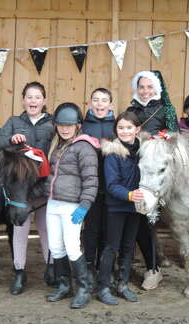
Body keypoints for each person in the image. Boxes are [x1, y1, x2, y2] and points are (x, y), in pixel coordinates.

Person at [0, 81, 54, 295]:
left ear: (44, 101)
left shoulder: (52, 123)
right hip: (21, 186)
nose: (33, 101)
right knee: (20, 228)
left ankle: (51, 267)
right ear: (23, 100)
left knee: (46, 227)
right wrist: (11, 138)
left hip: (43, 183)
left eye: (37, 97)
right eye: (29, 97)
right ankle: (19, 271)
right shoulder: (14, 121)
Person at [126, 70, 179, 290]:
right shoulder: (130, 110)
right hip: (134, 166)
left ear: (157, 88)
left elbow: (173, 133)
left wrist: (156, 139)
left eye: (150, 87)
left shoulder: (165, 108)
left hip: (155, 167)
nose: (146, 91)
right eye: (142, 87)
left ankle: (153, 268)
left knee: (149, 220)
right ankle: (127, 265)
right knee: (133, 218)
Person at [45, 102, 99, 309]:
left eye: (69, 125)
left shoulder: (84, 147)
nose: (64, 128)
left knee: (72, 246)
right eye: (60, 125)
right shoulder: (57, 146)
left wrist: (85, 205)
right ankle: (64, 285)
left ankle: (83, 289)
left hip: (71, 206)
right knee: (56, 247)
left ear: (78, 125)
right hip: (53, 203)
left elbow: (91, 180)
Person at [97, 111, 143, 305]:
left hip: (135, 207)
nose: (125, 131)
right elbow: (112, 184)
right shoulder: (112, 154)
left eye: (129, 127)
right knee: (111, 246)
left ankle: (122, 284)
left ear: (137, 129)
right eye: (121, 128)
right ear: (116, 130)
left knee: (128, 246)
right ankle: (103, 286)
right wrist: (129, 195)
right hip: (117, 206)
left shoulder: (143, 151)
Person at [81, 87, 115, 290]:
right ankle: (89, 266)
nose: (100, 104)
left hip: (111, 186)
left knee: (107, 229)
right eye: (96, 100)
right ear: (90, 103)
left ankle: (106, 267)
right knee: (91, 228)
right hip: (90, 185)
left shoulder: (118, 125)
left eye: (104, 100)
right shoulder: (83, 126)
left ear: (110, 105)